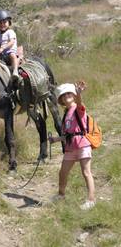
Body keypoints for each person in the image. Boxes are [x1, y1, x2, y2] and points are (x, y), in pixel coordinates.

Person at [48, 81, 95, 210]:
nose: (66, 96)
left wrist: (79, 94)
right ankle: (61, 195)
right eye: (63, 95)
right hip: (70, 147)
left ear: (73, 95)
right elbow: (68, 135)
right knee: (63, 172)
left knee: (86, 172)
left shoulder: (78, 108)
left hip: (82, 145)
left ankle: (91, 200)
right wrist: (56, 139)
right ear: (61, 100)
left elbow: (80, 103)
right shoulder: (66, 114)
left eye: (69, 93)